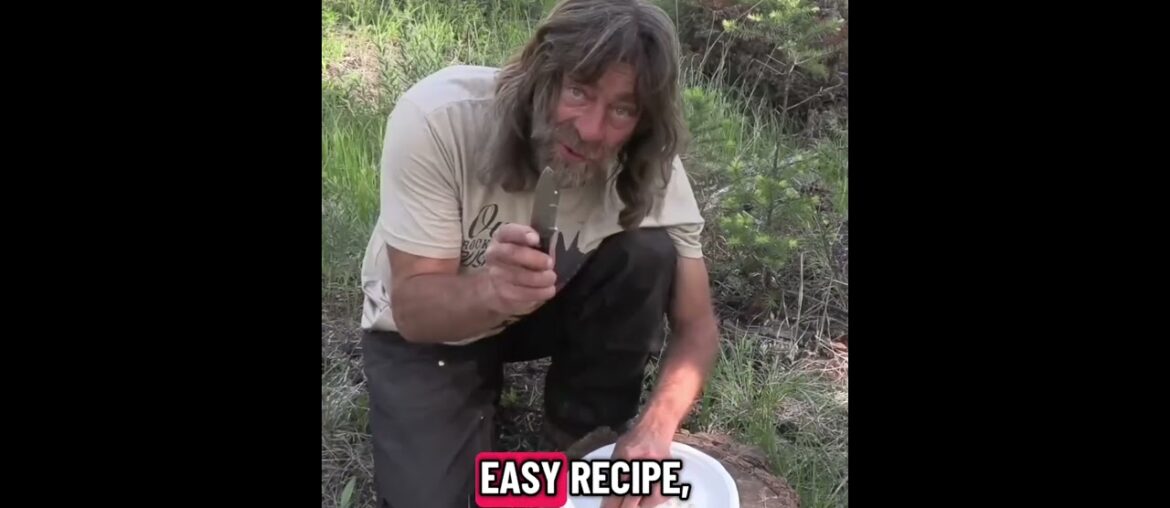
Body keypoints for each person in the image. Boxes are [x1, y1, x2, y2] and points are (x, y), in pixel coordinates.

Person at [357, 0, 720, 506]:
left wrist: (655, 428)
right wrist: (488, 289)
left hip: (545, 307)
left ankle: (581, 446)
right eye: (579, 91)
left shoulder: (648, 164)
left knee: (645, 251)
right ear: (538, 74)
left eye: (622, 109)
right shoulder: (440, 119)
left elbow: (697, 327)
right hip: (430, 330)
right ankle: (487, 443)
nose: (592, 130)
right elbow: (414, 312)